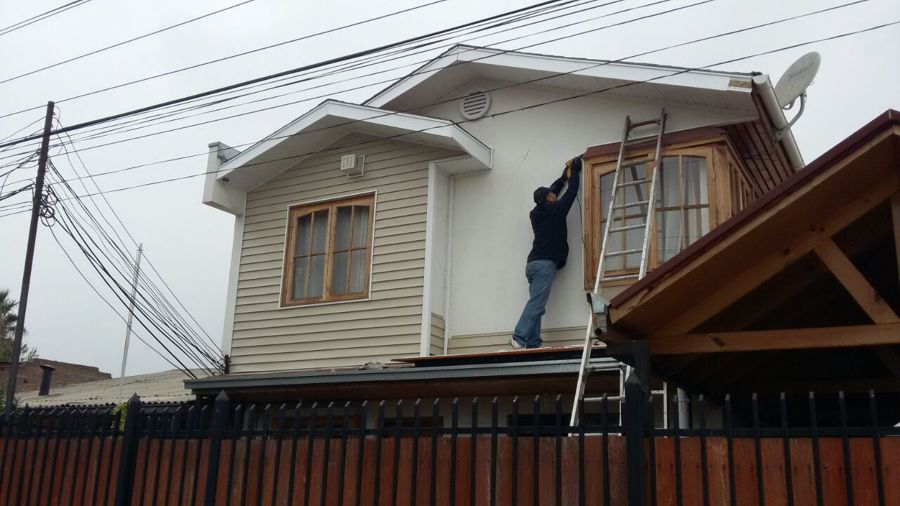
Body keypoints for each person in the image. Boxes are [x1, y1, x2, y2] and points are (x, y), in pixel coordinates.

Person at [511, 156, 582, 349]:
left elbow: (554, 191)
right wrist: (574, 173)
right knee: (537, 304)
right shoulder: (556, 211)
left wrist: (562, 177)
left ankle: (533, 343)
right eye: (551, 196)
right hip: (544, 266)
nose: (554, 196)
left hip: (532, 265)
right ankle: (519, 336)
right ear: (547, 201)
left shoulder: (536, 213)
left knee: (536, 303)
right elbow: (572, 192)